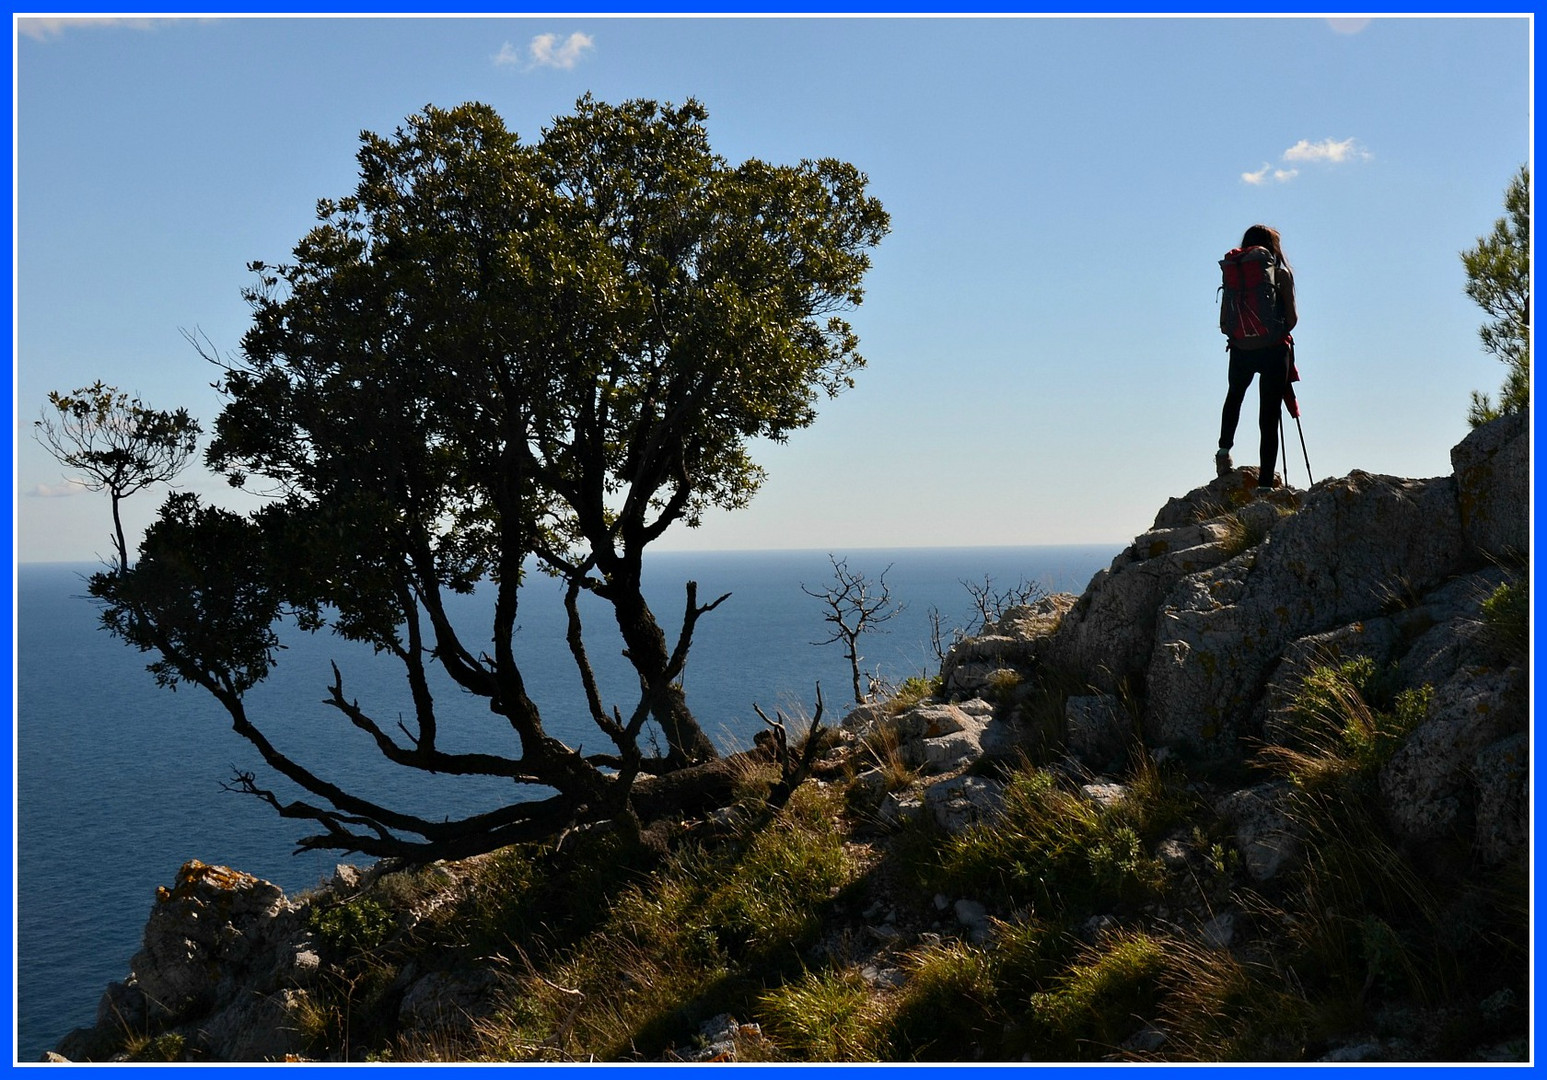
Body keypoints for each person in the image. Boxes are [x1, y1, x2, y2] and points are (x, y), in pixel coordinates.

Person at [1215, 224, 1298, 490]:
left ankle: (1223, 452)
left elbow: (1224, 321)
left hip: (1241, 349)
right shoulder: (1280, 275)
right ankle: (1264, 486)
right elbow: (1293, 319)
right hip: (1274, 349)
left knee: (1234, 397)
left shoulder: (1235, 274)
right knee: (1269, 415)